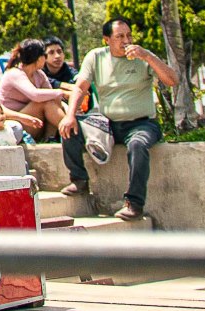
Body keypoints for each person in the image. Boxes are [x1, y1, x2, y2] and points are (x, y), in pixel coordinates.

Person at [61, 18, 179, 220]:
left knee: (137, 145)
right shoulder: (96, 57)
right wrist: (70, 115)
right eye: (120, 36)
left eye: (129, 35)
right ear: (107, 40)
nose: (126, 40)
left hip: (142, 124)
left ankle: (134, 204)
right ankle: (79, 180)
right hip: (108, 124)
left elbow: (172, 81)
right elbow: (80, 88)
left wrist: (147, 56)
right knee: (69, 126)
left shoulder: (143, 57)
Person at [0, 38, 68, 138]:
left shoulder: (39, 74)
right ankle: (74, 133)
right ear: (39, 58)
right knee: (43, 102)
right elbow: (35, 95)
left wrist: (67, 109)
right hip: (15, 123)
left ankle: (51, 137)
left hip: (35, 122)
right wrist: (61, 92)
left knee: (51, 99)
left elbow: (52, 95)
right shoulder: (15, 73)